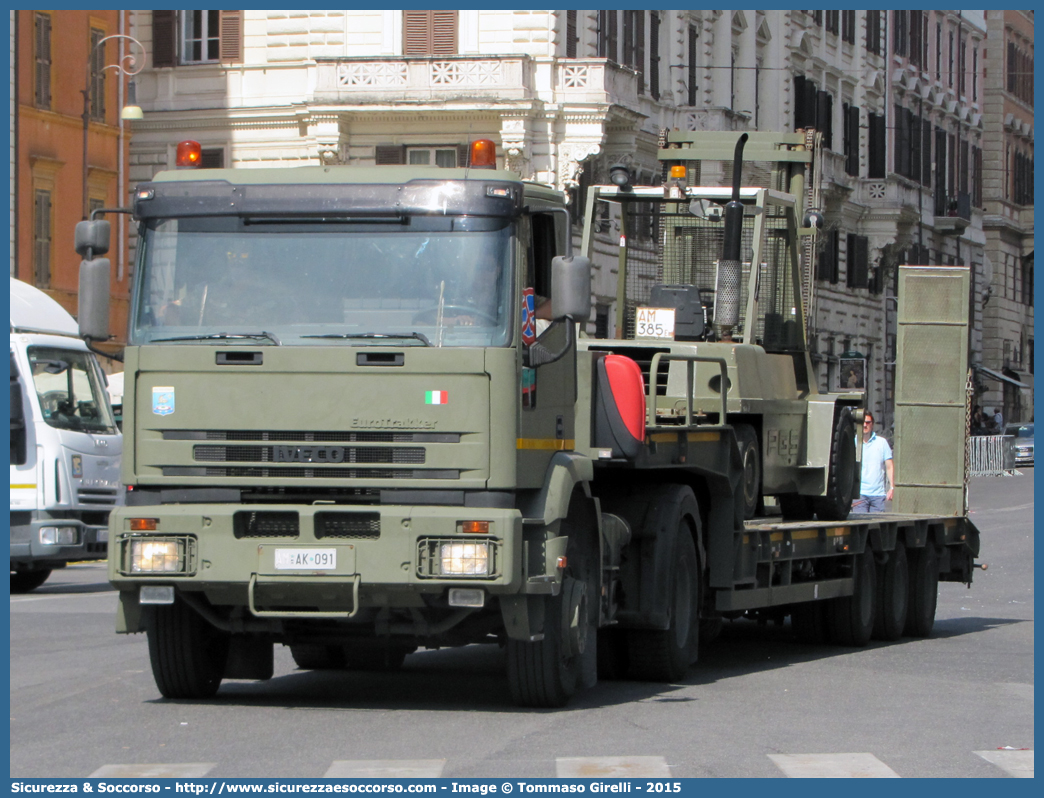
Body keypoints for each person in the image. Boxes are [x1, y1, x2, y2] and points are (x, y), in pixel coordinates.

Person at [852, 410, 893, 514]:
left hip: (878, 495)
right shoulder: (852, 442)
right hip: (859, 494)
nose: (865, 425)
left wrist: (892, 487)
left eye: (868, 422)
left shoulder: (881, 442)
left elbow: (889, 467)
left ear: (872, 424)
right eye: (863, 422)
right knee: (860, 527)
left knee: (877, 528)